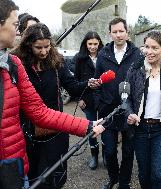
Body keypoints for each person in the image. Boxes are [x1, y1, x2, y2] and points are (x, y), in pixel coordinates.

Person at [0, 1, 104, 189]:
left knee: (55, 176)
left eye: (47, 47)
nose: (44, 51)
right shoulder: (19, 64)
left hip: (54, 130)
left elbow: (49, 103)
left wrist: (88, 87)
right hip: (29, 135)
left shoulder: (26, 64)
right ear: (28, 45)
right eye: (39, 47)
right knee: (35, 177)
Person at [126, 30, 161, 189]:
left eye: (154, 48)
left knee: (158, 174)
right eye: (146, 47)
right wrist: (130, 112)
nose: (149, 52)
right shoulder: (135, 68)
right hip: (140, 129)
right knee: (144, 173)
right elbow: (125, 97)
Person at [94, 17, 144, 189]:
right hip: (108, 110)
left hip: (129, 110)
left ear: (127, 32)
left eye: (121, 31)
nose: (118, 35)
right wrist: (99, 103)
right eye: (114, 32)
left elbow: (141, 81)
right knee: (109, 151)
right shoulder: (103, 54)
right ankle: (113, 178)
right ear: (110, 34)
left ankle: (124, 182)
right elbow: (97, 81)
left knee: (129, 151)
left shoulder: (137, 54)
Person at [73, 31, 106, 170]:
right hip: (87, 100)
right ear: (85, 44)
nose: (93, 47)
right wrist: (78, 99)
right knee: (91, 128)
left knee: (104, 126)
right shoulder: (79, 59)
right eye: (90, 44)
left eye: (95, 44)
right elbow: (73, 81)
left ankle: (106, 155)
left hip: (104, 98)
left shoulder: (105, 56)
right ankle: (94, 155)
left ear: (99, 43)